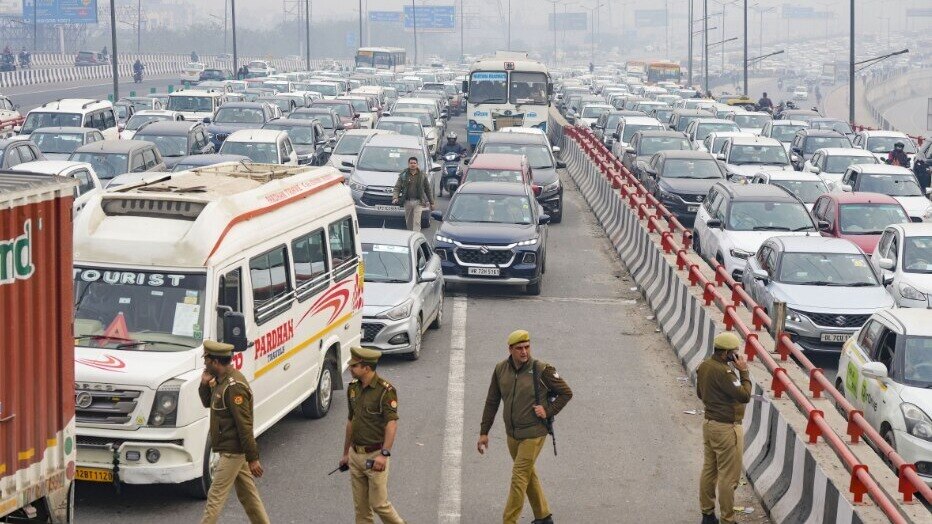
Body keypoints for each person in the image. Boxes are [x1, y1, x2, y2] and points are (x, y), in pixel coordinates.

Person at [478, 330, 573, 524]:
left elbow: (566, 393)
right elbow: (492, 401)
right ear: (510, 349)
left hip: (534, 433)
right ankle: (543, 516)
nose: (524, 352)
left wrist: (548, 410)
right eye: (519, 348)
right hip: (512, 434)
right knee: (527, 473)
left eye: (527, 347)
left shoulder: (542, 370)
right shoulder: (500, 369)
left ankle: (509, 521)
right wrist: (484, 432)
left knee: (519, 476)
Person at [198, 341, 270, 524]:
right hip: (230, 449)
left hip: (233, 452)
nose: (204, 363)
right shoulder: (221, 381)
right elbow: (208, 403)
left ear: (215, 362)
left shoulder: (234, 387)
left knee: (214, 498)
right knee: (249, 497)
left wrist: (253, 458)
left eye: (207, 360)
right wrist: (204, 384)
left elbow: (244, 425)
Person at [340, 347, 405, 524]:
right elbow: (351, 421)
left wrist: (384, 454)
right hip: (355, 455)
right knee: (361, 510)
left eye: (354, 366)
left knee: (379, 504)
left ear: (366, 368)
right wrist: (346, 453)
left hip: (375, 456)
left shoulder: (385, 391)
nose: (350, 368)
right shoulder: (353, 388)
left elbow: (392, 424)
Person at [696, 332, 751, 524]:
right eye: (735, 352)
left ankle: (707, 514)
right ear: (726, 353)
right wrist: (744, 372)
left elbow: (700, 393)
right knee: (729, 477)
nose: (737, 356)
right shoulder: (724, 372)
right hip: (726, 428)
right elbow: (744, 396)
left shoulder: (704, 366)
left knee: (709, 470)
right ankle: (728, 519)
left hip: (709, 424)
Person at [392, 156, 435, 231]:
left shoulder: (422, 175)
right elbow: (397, 187)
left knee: (417, 222)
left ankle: (416, 236)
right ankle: (410, 235)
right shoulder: (403, 175)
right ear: (408, 164)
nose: (413, 165)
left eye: (414, 163)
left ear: (417, 164)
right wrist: (395, 197)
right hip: (407, 201)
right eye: (411, 163)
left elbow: (428, 189)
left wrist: (432, 203)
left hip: (418, 202)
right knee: (409, 222)